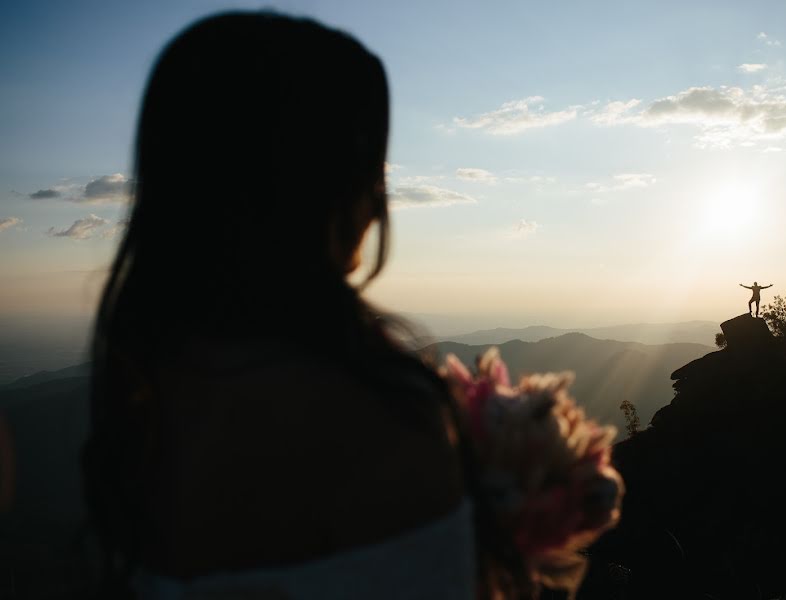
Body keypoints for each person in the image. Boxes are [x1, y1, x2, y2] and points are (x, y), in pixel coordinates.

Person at [82, 12, 528, 599]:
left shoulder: (138, 403)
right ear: (326, 189)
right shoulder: (388, 416)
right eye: (371, 172)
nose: (377, 203)